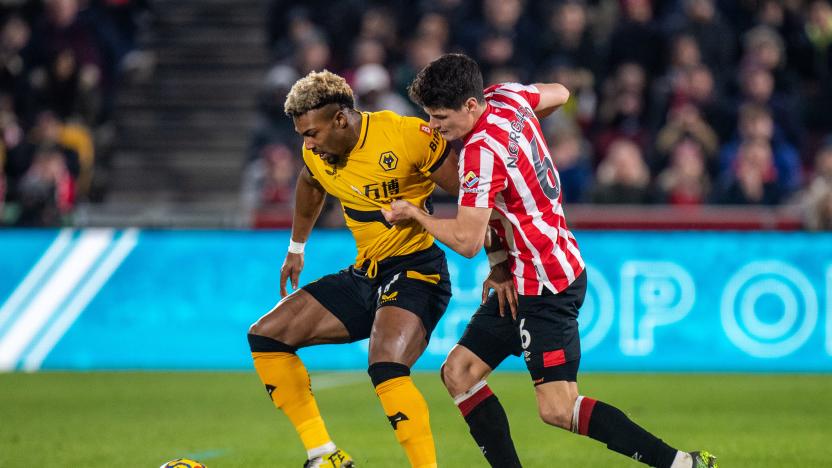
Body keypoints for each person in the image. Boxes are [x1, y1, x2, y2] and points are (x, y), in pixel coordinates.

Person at [384, 53, 718, 468]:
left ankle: (681, 464)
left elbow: (467, 241)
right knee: (459, 372)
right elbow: (560, 93)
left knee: (558, 408)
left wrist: (416, 213)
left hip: (545, 283)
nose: (433, 127)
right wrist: (502, 262)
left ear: (471, 106)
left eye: (439, 117)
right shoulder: (507, 98)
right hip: (526, 273)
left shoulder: (479, 154)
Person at [247, 70, 459, 468]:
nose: (306, 144)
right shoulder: (317, 152)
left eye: (311, 133)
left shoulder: (405, 135)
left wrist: (500, 260)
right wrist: (296, 247)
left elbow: (472, 193)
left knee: (385, 364)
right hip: (367, 272)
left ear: (341, 119)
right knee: (267, 336)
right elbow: (310, 184)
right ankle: (323, 455)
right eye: (301, 135)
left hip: (419, 270)